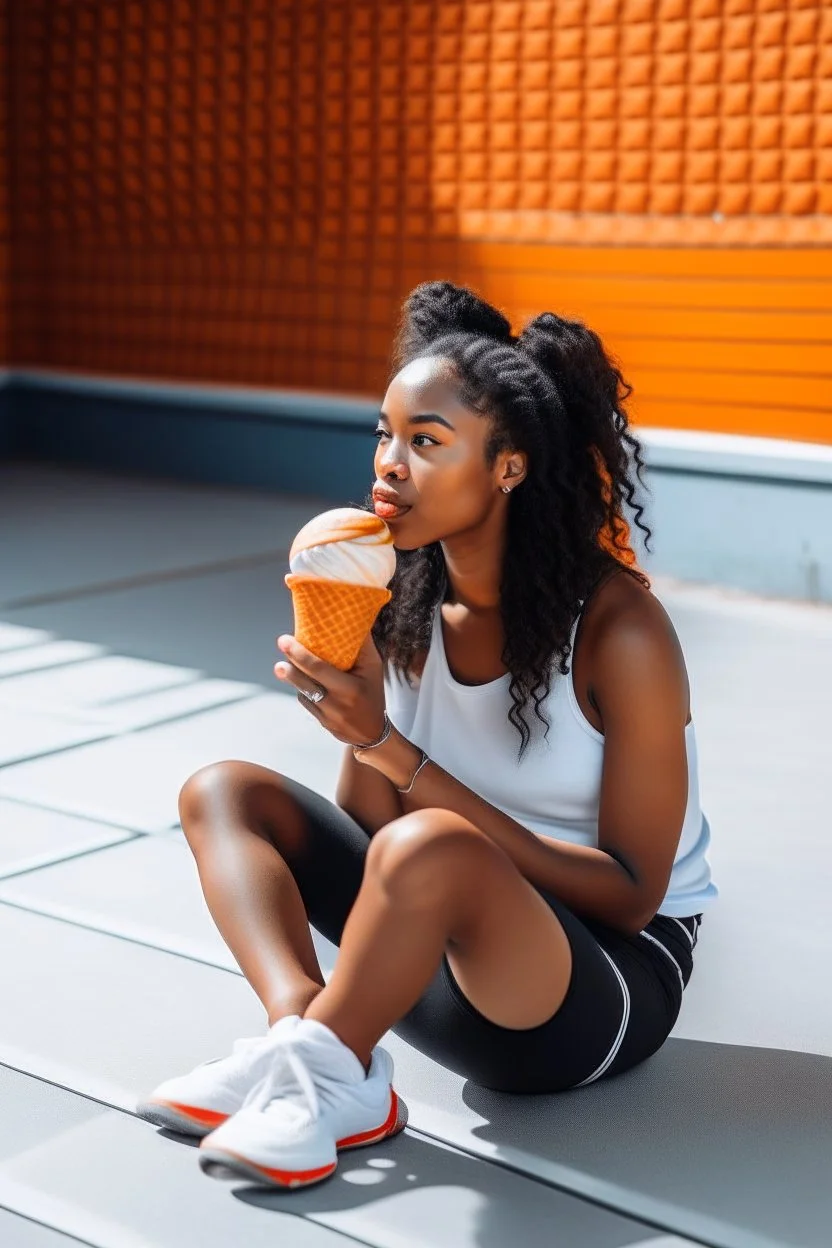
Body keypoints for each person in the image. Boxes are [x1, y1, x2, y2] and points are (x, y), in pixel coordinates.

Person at [137, 281, 717, 1189]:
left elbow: (634, 898)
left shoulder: (620, 632)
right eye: (383, 433)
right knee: (224, 790)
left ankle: (323, 1063)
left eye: (427, 442)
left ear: (509, 467)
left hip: (596, 994)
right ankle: (312, 1043)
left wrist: (394, 752)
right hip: (444, 949)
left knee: (433, 845)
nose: (388, 464)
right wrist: (359, 721)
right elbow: (372, 843)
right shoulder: (403, 600)